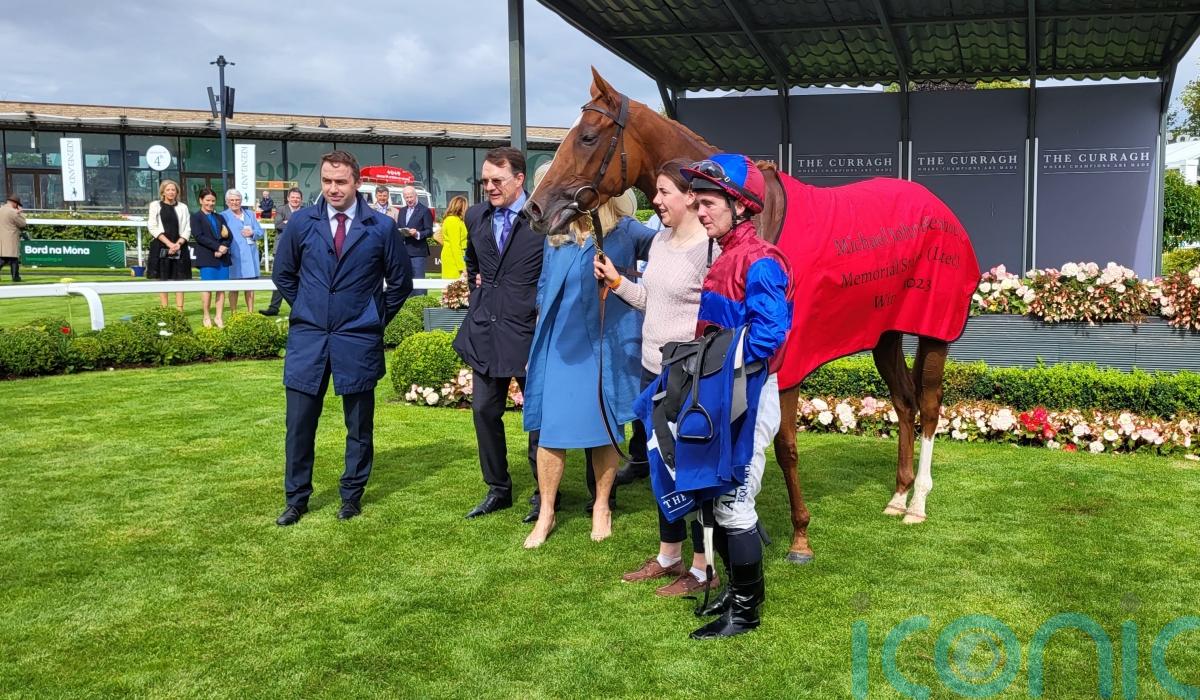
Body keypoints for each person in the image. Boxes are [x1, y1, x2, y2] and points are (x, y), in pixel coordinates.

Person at [662, 153, 795, 639]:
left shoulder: (761, 260)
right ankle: (735, 592)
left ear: (741, 206)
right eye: (697, 203)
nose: (700, 212)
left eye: (709, 203)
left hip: (749, 395)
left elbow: (769, 335)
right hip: (722, 393)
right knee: (716, 499)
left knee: (734, 505)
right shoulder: (725, 255)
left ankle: (746, 612)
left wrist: (714, 364)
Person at [594, 158, 718, 596]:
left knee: (692, 470)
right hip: (653, 372)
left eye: (664, 192)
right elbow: (651, 299)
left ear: (691, 196)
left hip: (689, 376)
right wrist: (617, 282)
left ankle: (703, 568)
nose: (656, 200)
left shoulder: (710, 250)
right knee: (661, 468)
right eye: (656, 192)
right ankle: (669, 556)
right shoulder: (661, 241)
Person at [271, 150, 411, 526]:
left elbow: (400, 283)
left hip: (358, 340)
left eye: (340, 182)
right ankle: (296, 500)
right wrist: (309, 308)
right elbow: (283, 274)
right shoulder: (301, 223)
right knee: (299, 426)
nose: (333, 188)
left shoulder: (381, 227)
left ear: (357, 183)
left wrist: (372, 317)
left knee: (359, 427)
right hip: (308, 340)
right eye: (327, 181)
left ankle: (352, 495)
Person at [522, 183, 655, 549]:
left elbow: (669, 247)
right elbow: (544, 287)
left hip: (604, 348)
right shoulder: (557, 234)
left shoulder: (626, 231)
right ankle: (547, 512)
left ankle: (601, 506)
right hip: (559, 346)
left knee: (604, 428)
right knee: (551, 430)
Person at [453, 147, 542, 521]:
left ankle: (544, 493)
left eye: (497, 180)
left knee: (537, 418)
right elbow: (473, 262)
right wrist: (479, 294)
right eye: (485, 180)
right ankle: (498, 489)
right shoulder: (476, 216)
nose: (489, 187)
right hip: (486, 334)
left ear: (519, 179)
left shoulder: (542, 218)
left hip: (529, 335)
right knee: (483, 411)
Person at [190, 187, 233, 328]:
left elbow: (229, 236)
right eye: (207, 200)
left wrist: (223, 247)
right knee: (207, 288)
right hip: (207, 258)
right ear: (201, 200)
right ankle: (206, 316)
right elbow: (199, 236)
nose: (210, 203)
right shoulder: (196, 217)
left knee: (221, 289)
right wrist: (217, 247)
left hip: (222, 258)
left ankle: (219, 317)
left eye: (213, 201)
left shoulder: (219, 217)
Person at [146, 179, 192, 309]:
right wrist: (169, 244)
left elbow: (187, 228)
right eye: (168, 190)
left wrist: (178, 244)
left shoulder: (183, 207)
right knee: (162, 278)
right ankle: (164, 309)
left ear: (177, 192)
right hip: (161, 245)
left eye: (173, 190)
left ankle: (180, 309)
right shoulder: (155, 205)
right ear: (163, 192)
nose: (171, 192)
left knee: (179, 278)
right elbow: (152, 226)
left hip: (180, 245)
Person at [262, 188, 306, 317]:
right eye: (293, 197)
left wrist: (288, 221)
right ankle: (274, 307)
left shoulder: (305, 211)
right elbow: (278, 225)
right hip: (282, 249)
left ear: (301, 199)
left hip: (301, 250)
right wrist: (296, 223)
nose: (295, 200)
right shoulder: (281, 209)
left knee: (302, 279)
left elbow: (307, 227)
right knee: (280, 278)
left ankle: (300, 307)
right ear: (288, 198)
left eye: (298, 197)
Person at [221, 188, 264, 313]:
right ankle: (234, 314)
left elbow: (260, 232)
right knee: (234, 288)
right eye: (232, 200)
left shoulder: (250, 214)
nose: (235, 202)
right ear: (227, 202)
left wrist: (252, 232)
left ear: (241, 201)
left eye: (237, 200)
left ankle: (250, 313)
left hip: (250, 255)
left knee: (250, 288)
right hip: (234, 255)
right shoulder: (223, 216)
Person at [396, 185, 434, 279]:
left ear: (416, 196)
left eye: (411, 197)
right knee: (405, 281)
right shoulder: (402, 211)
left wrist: (417, 233)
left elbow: (429, 231)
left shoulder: (425, 210)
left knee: (418, 281)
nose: (409, 200)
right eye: (406, 197)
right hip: (403, 252)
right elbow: (399, 227)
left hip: (418, 253)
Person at [439, 195, 469, 280]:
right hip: (453, 259)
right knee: (454, 285)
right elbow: (455, 246)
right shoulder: (453, 221)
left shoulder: (457, 220)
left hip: (456, 256)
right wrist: (462, 267)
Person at [0, 195, 27, 282]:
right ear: (15, 203)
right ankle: (15, 277)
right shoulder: (13, 212)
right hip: (11, 238)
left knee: (6, 258)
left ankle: (16, 276)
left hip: (1, 238)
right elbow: (23, 224)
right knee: (11, 257)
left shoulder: (1, 209)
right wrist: (20, 213)